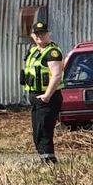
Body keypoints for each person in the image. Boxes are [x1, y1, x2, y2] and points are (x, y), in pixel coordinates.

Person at [22, 19, 64, 162]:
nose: (40, 36)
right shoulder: (34, 51)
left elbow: (57, 75)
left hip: (48, 97)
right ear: (32, 36)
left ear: (48, 34)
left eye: (43, 33)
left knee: (44, 130)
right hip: (36, 96)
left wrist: (47, 95)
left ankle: (50, 162)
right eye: (37, 33)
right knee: (38, 131)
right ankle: (44, 159)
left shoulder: (52, 52)